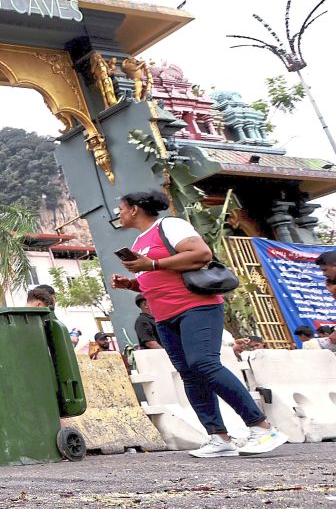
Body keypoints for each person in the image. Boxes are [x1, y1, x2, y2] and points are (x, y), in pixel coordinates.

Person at [111, 189, 285, 458]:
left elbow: (200, 254)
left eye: (120, 208)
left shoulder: (169, 225)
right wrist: (133, 283)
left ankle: (262, 427)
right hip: (164, 316)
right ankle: (218, 436)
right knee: (190, 375)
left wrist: (152, 263)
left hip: (195, 307)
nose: (118, 213)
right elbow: (159, 276)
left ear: (134, 209)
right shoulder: (140, 240)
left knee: (204, 364)